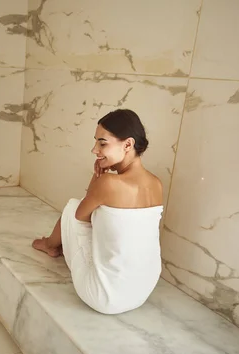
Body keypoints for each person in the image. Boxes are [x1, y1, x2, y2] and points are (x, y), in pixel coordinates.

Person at [32, 109, 164, 314]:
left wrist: (97, 178)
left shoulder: (109, 183)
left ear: (128, 144)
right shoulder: (156, 183)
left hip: (105, 297)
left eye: (102, 143)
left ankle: (49, 245)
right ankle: (54, 245)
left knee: (72, 207)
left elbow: (79, 219)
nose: (95, 150)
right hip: (143, 291)